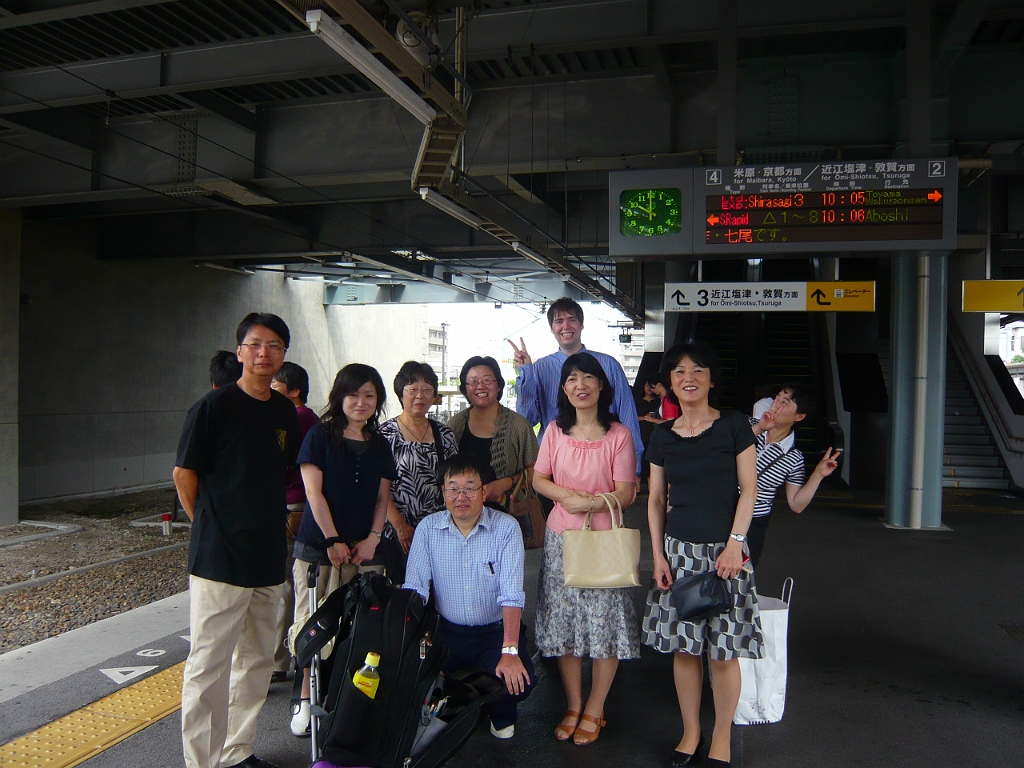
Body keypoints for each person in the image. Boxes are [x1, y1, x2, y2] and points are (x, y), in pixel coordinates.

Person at [173, 313, 300, 768]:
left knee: (256, 661)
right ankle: (202, 761)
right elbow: (184, 475)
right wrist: (207, 523)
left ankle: (236, 750)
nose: (264, 353)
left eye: (274, 346)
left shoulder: (284, 411)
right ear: (241, 350)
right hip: (219, 559)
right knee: (208, 665)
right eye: (255, 344)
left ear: (284, 354)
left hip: (267, 556)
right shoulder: (212, 407)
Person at [641, 342, 760, 768]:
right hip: (678, 554)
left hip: (727, 555)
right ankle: (691, 731)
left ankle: (722, 737)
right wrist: (657, 556)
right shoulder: (661, 435)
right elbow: (655, 500)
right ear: (669, 383)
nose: (688, 377)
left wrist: (734, 544)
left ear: (711, 378)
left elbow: (751, 490)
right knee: (686, 649)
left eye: (698, 369)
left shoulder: (733, 425)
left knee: (724, 652)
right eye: (678, 371)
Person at [532, 352, 639, 747]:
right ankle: (574, 704)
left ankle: (596, 706)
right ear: (564, 389)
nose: (581, 385)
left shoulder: (619, 435)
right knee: (565, 625)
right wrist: (567, 497)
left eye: (588, 377)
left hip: (602, 542)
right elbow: (539, 478)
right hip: (562, 540)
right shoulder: (555, 433)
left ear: (601, 386)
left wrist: (590, 504)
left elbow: (626, 492)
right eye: (572, 378)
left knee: (604, 624)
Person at [287, 364, 396, 736]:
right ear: (340, 396)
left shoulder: (380, 444)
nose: (361, 402)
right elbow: (313, 493)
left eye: (369, 395)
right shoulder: (319, 436)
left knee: (360, 630)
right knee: (313, 627)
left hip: (364, 553)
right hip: (319, 550)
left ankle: (349, 700)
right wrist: (333, 539)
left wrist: (373, 537)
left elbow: (383, 497)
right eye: (354, 394)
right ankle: (304, 697)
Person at [404, 454, 536, 739]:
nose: (460, 496)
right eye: (453, 488)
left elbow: (512, 594)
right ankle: (455, 704)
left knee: (520, 682)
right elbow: (414, 590)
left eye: (469, 487)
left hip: (494, 632)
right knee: (408, 675)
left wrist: (509, 651)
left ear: (484, 491)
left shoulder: (506, 528)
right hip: (447, 631)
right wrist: (406, 642)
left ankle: (498, 709)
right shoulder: (428, 529)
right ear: (443, 492)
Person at [509, 297, 644, 475]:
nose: (566, 326)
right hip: (553, 462)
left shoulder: (608, 364)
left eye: (572, 320)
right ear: (552, 328)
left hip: (602, 461)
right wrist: (526, 372)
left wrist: (633, 468)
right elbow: (528, 419)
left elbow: (627, 417)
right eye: (559, 321)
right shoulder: (540, 368)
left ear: (581, 325)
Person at [747, 382, 840, 568]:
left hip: (754, 524)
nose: (776, 404)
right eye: (778, 397)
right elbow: (721, 449)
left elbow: (796, 504)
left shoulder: (793, 458)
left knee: (741, 581)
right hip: (721, 513)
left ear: (799, 416)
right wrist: (759, 428)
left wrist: (818, 475)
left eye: (785, 403)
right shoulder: (746, 426)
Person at [380, 361, 458, 579]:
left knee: (440, 595)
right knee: (404, 595)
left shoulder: (444, 433)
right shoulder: (385, 435)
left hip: (440, 531)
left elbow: (454, 481)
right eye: (412, 390)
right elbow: (378, 487)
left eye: (426, 390)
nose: (420, 396)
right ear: (400, 393)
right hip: (400, 534)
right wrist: (400, 526)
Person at [269, 362, 320, 684]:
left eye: (276, 388)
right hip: (303, 507)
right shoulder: (313, 419)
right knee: (297, 584)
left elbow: (278, 464)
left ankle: (277, 659)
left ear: (294, 391)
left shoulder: (293, 419)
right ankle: (291, 654)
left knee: (283, 585)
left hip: (289, 506)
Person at [447, 355, 539, 512]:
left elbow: (537, 472)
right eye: (473, 381)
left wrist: (506, 483)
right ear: (465, 388)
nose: (480, 386)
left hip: (509, 516)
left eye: (487, 380)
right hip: (462, 516)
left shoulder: (519, 426)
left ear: (498, 386)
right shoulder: (454, 425)